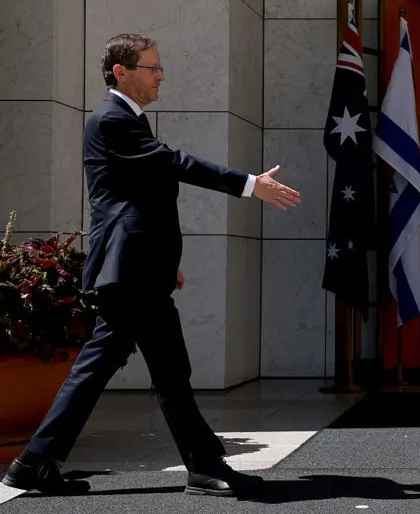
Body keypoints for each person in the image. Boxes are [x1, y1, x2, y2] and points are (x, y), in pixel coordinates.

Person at [1, 33, 302, 497]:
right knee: (158, 369)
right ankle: (199, 466)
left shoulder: (127, 121)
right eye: (152, 67)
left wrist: (162, 261)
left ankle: (36, 463)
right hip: (131, 271)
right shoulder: (111, 120)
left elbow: (141, 198)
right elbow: (172, 163)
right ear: (121, 72)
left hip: (137, 268)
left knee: (141, 368)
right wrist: (248, 184)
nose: (161, 76)